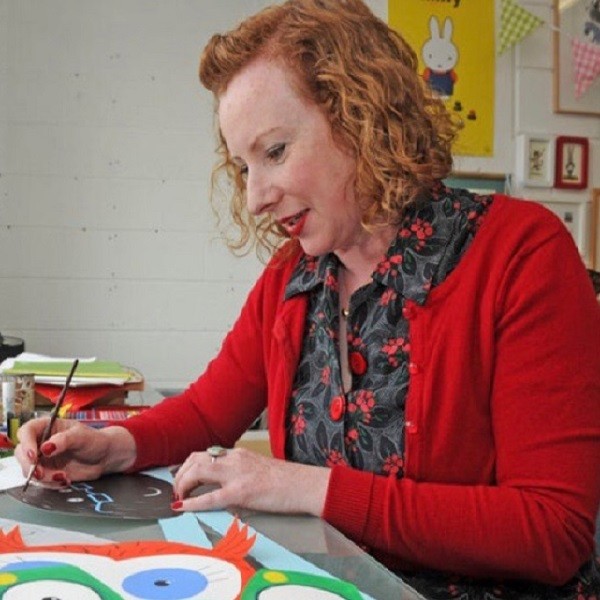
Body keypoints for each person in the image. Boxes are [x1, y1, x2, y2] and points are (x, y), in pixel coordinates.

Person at [15, 0, 600, 597]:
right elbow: (207, 413)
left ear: (363, 119)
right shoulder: (294, 274)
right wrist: (114, 447)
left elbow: (553, 531)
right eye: (243, 167)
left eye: (274, 152)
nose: (255, 199)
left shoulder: (520, 254)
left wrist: (303, 486)